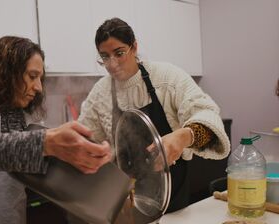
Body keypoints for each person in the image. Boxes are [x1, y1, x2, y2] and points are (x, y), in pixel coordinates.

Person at [0, 36, 112, 224]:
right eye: (32, 76)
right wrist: (45, 143)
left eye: (40, 79)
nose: (39, 88)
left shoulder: (14, 115)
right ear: (6, 72)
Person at [78, 18, 231, 214]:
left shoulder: (167, 78)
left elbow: (208, 116)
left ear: (134, 47)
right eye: (105, 57)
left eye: (119, 53)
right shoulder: (100, 93)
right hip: (126, 200)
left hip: (173, 197)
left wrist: (182, 137)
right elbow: (87, 139)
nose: (112, 64)